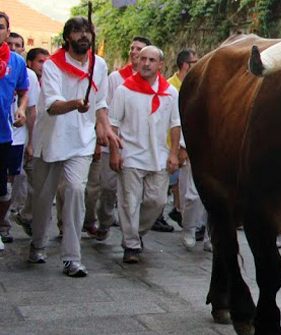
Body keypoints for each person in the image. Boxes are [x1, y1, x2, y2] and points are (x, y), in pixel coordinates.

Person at [29, 16, 119, 277]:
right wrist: (76, 104)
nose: (83, 36)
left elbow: (101, 101)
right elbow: (53, 104)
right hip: (51, 139)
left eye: (87, 31)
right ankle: (37, 244)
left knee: (75, 190)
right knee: (43, 199)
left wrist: (103, 126)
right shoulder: (52, 66)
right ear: (67, 37)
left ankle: (72, 258)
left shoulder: (98, 65)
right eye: (77, 31)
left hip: (81, 141)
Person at [109, 45, 180, 264]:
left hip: (158, 156)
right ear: (137, 62)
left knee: (157, 201)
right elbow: (113, 124)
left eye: (151, 60)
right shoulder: (124, 90)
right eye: (142, 59)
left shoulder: (170, 92)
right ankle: (131, 245)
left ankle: (136, 232)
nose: (146, 63)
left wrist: (174, 153)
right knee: (129, 201)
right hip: (130, 155)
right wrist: (115, 152)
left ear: (160, 64)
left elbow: (175, 124)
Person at [84, 35, 152, 241]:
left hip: (136, 145)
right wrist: (103, 136)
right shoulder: (116, 78)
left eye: (139, 49)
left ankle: (132, 232)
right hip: (114, 140)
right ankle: (104, 221)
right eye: (132, 48)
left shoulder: (154, 83)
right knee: (107, 186)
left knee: (135, 193)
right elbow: (105, 109)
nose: (134, 52)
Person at [169, 48, 210, 251]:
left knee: (218, 196)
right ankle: (189, 228)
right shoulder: (176, 89)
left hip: (216, 150)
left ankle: (212, 235)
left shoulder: (211, 88)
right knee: (192, 195)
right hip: (193, 146)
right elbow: (179, 120)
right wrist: (181, 148)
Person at [2, 33, 39, 245]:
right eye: (10, 44)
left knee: (8, 185)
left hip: (15, 138)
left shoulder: (28, 75)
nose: (14, 48)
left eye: (18, 45)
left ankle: (4, 225)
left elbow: (32, 110)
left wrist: (32, 142)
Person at [0, 13, 30, 253]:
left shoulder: (17, 63)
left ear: (7, 32)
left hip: (3, 133)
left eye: (0, 28)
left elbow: (23, 91)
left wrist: (21, 109)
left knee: (2, 188)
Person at [12, 48, 48, 237]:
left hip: (29, 139)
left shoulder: (33, 78)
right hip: (13, 137)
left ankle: (26, 215)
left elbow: (32, 111)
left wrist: (33, 141)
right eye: (40, 61)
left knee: (34, 183)